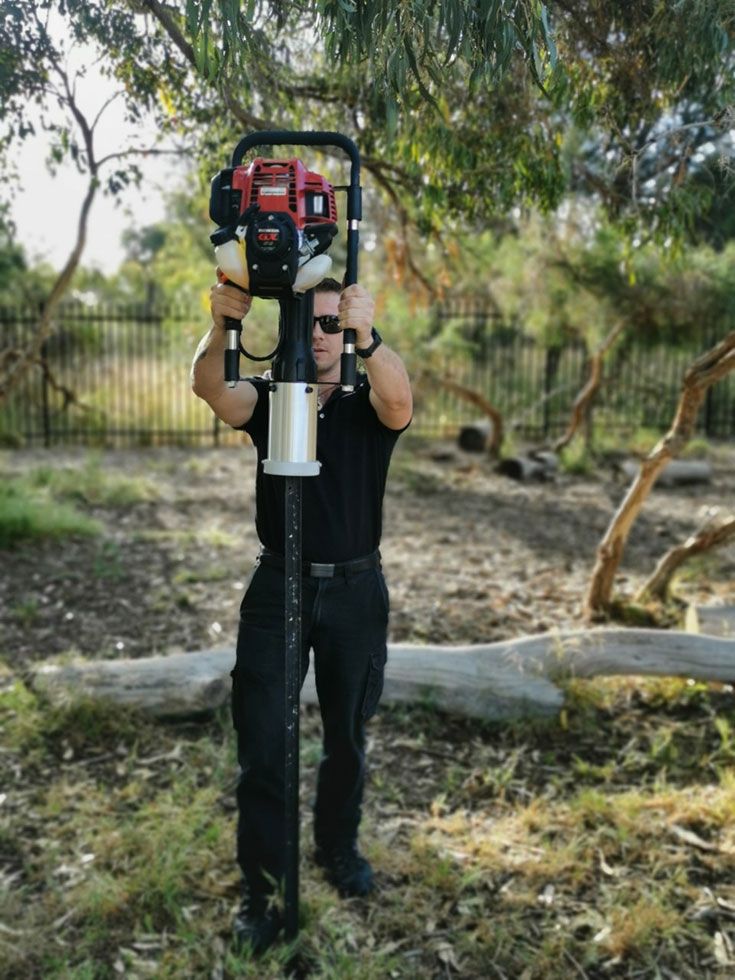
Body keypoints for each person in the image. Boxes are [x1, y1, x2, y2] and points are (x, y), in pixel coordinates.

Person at [191, 275, 413, 954]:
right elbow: (210, 388)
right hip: (276, 589)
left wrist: (367, 337)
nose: (318, 334)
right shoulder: (271, 399)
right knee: (263, 746)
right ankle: (262, 891)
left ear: (345, 325)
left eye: (330, 321)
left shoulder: (365, 399)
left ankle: (336, 851)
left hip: (354, 593)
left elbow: (401, 397)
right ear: (289, 327)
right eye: (308, 321)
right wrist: (222, 323)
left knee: (346, 736)